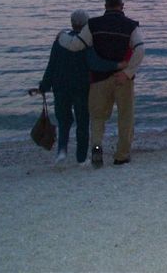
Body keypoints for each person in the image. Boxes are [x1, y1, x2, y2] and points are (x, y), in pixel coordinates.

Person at [59, 0, 144, 168]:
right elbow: (140, 49)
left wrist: (61, 36)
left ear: (105, 6)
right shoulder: (131, 26)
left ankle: (97, 148)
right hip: (123, 80)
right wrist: (128, 72)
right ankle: (121, 155)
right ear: (122, 6)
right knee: (125, 117)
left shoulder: (93, 24)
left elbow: (75, 45)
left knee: (98, 118)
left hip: (98, 80)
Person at [29, 10, 122, 165]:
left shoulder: (59, 41)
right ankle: (81, 158)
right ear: (86, 25)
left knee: (64, 122)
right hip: (82, 88)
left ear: (72, 23)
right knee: (82, 123)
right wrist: (116, 66)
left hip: (60, 88)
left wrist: (44, 86)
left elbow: (51, 66)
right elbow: (96, 63)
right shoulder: (87, 43)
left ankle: (62, 152)